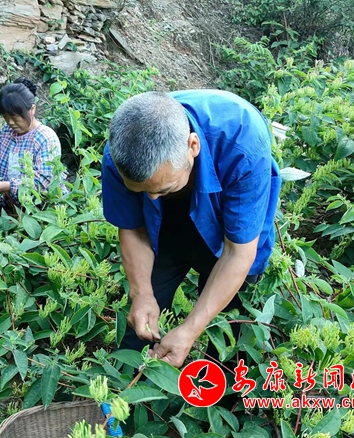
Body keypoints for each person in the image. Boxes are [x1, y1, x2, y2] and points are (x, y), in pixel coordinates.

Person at [101, 90, 281, 369]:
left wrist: (190, 329)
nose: (150, 198)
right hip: (168, 225)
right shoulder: (121, 154)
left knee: (230, 329)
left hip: (229, 231)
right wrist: (141, 292)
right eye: (140, 192)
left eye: (163, 188)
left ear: (193, 146)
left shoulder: (242, 143)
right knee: (141, 323)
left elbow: (238, 252)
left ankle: (219, 385)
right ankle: (126, 384)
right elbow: (134, 227)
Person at [0, 77, 67, 211]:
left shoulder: (45, 138)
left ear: (32, 109)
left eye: (15, 117)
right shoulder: (6, 131)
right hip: (11, 201)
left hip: (41, 205)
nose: (10, 122)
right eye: (6, 117)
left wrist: (6, 186)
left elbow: (43, 182)